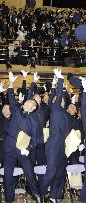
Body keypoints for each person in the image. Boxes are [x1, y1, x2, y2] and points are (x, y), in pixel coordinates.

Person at [3, 71, 41, 203]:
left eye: (30, 104)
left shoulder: (35, 121)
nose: (26, 103)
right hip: (9, 146)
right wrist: (11, 82)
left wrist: (29, 148)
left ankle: (38, 196)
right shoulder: (16, 109)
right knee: (8, 175)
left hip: (23, 149)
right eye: (26, 103)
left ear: (34, 107)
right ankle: (9, 199)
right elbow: (11, 96)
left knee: (30, 174)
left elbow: (36, 139)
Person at [40, 69, 70, 203]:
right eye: (59, 99)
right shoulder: (54, 108)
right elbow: (56, 95)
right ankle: (40, 193)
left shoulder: (65, 113)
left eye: (62, 99)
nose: (61, 100)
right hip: (53, 143)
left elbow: (64, 96)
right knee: (51, 172)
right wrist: (60, 80)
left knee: (60, 173)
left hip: (62, 145)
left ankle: (54, 196)